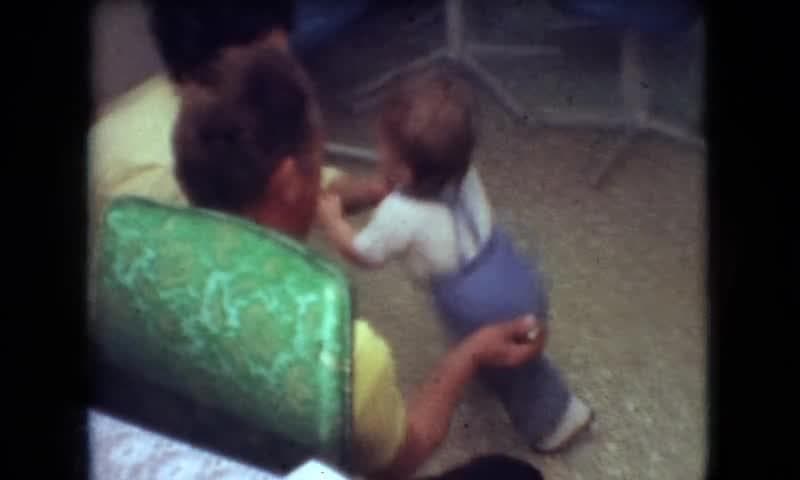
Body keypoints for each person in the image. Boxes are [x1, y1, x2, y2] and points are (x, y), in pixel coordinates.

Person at [169, 32, 548, 479]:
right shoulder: (344, 355)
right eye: (318, 156)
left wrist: (367, 195)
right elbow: (399, 460)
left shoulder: (145, 253)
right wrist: (466, 356)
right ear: (288, 183)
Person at [317, 68, 593, 452]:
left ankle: (557, 422)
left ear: (405, 170)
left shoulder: (400, 214)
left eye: (383, 147)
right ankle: (514, 375)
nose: (378, 151)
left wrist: (333, 222)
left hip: (475, 302)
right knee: (521, 344)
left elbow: (364, 253)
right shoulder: (461, 171)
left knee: (512, 368)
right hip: (509, 267)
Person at [88, 0, 385, 249]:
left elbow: (288, 176)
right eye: (276, 59)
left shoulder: (228, 110)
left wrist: (369, 190)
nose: (290, 70)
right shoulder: (146, 186)